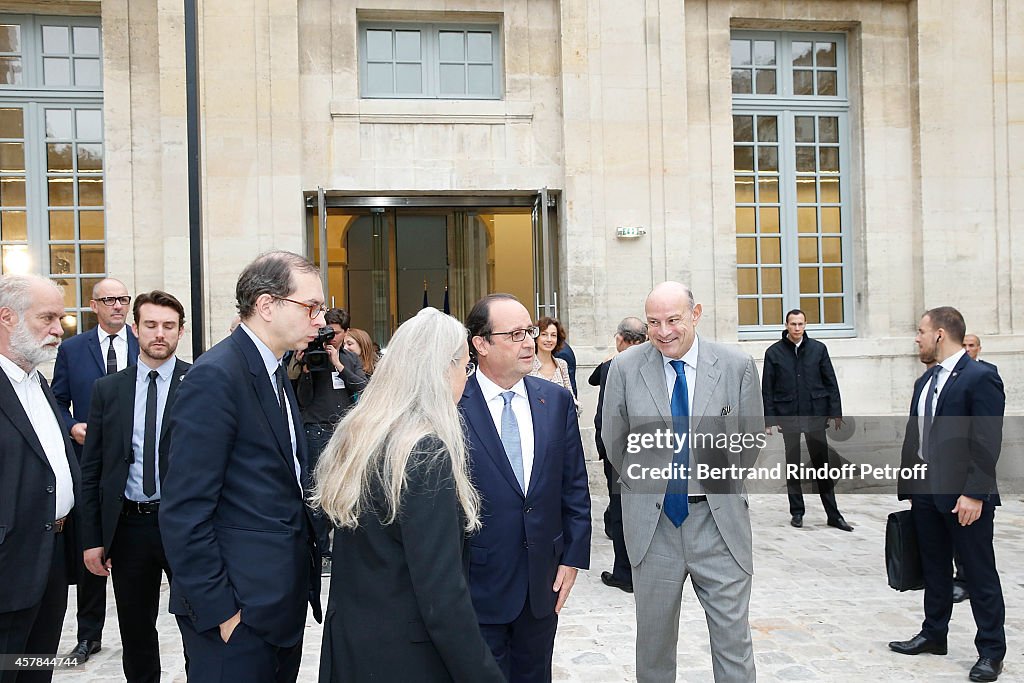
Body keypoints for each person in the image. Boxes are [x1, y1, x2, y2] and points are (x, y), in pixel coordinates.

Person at [313, 307, 504, 682]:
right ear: (440, 369)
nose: (466, 379)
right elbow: (441, 595)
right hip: (406, 657)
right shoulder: (423, 452)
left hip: (353, 645)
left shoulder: (361, 433)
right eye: (466, 367)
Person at [160, 251, 324, 683]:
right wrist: (222, 611)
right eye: (312, 307)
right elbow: (184, 510)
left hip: (275, 606)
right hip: (235, 616)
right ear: (268, 306)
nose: (320, 320)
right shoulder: (217, 377)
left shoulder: (273, 371)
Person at [602, 281, 764, 682]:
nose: (663, 331)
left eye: (673, 320)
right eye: (654, 322)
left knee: (733, 644)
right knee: (653, 647)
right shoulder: (624, 368)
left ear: (696, 314)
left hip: (717, 525)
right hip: (654, 528)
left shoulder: (735, 366)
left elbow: (749, 439)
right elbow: (614, 440)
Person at [460, 294, 591, 683]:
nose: (529, 342)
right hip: (476, 583)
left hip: (541, 582)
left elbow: (573, 484)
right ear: (480, 344)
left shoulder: (555, 400)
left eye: (529, 331)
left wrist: (573, 557)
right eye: (514, 334)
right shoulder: (452, 403)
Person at [889, 307, 1006, 683]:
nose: (917, 338)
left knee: (978, 572)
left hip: (964, 497)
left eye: (921, 331)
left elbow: (988, 441)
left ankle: (991, 651)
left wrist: (974, 494)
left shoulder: (980, 377)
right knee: (935, 568)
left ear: (940, 334)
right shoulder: (925, 381)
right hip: (926, 492)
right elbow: (916, 436)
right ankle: (933, 633)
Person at [78, 290, 190, 682]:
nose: (160, 334)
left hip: (185, 526)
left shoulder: (200, 382)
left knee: (198, 624)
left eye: (169, 326)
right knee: (136, 630)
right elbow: (92, 471)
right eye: (151, 325)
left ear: (181, 331)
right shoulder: (108, 390)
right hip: (130, 528)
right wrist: (93, 538)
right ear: (135, 328)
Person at [51, 277, 138, 663]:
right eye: (109, 300)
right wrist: (71, 426)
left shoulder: (147, 343)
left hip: (137, 469)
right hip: (91, 465)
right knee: (92, 550)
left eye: (123, 299)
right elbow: (55, 399)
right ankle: (89, 635)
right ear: (94, 306)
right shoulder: (72, 349)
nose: (117, 305)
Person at [0, 275, 80, 683]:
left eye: (60, 318)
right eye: (47, 318)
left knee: (36, 669)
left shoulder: (37, 381)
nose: (58, 329)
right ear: (7, 318)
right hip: (9, 566)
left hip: (50, 558)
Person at [761, 309, 853, 531]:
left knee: (822, 465)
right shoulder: (773, 353)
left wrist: (835, 413)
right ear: (786, 325)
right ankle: (797, 512)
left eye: (800, 324)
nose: (796, 328)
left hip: (815, 414)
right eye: (793, 324)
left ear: (805, 325)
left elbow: (830, 382)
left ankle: (833, 514)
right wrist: (769, 419)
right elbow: (767, 388)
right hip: (788, 415)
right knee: (792, 464)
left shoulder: (818, 350)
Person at [293, 307, 367, 576]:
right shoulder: (309, 356)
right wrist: (303, 367)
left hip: (343, 431)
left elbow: (362, 387)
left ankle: (346, 549)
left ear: (345, 333)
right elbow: (300, 397)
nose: (329, 338)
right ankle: (323, 551)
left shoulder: (349, 358)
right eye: (326, 332)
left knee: (346, 490)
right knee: (315, 492)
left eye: (334, 334)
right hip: (315, 430)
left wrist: (338, 364)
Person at [589, 317, 646, 593]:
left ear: (621, 339)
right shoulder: (655, 362)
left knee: (622, 511)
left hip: (620, 453)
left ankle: (624, 572)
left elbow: (607, 414)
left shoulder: (615, 365)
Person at [529, 316, 575, 400]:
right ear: (536, 338)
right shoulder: (527, 365)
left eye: (553, 335)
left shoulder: (562, 365)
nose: (549, 339)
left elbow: (570, 397)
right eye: (544, 334)